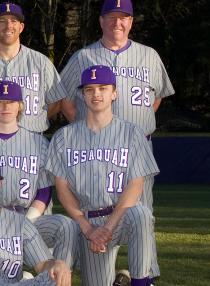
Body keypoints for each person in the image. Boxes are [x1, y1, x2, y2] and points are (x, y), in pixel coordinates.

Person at [58, 0, 174, 211]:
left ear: (131, 22)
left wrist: (139, 120)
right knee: (95, 211)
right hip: (95, 148)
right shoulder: (83, 57)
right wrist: (85, 126)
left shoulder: (149, 55)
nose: (117, 23)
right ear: (101, 21)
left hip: (138, 147)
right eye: (111, 17)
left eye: (123, 17)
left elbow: (157, 96)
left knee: (141, 214)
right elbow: (64, 99)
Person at [50, 65, 159, 286]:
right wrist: (88, 229)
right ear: (82, 94)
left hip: (121, 216)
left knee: (141, 214)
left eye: (102, 88)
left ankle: (140, 282)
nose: (96, 94)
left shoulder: (132, 133)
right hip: (88, 221)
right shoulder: (64, 137)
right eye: (89, 89)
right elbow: (62, 189)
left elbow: (135, 185)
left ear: (114, 93)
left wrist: (108, 227)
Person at [0, 81, 78, 267]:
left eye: (11, 101)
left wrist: (26, 223)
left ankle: (57, 278)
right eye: (0, 101)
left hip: (31, 219)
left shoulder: (38, 143)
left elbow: (44, 191)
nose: (6, 106)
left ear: (20, 105)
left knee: (66, 226)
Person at [0, 2, 65, 133]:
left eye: (14, 21)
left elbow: (56, 102)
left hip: (33, 141)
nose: (8, 25)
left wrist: (35, 122)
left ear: (21, 27)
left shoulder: (41, 63)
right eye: (2, 21)